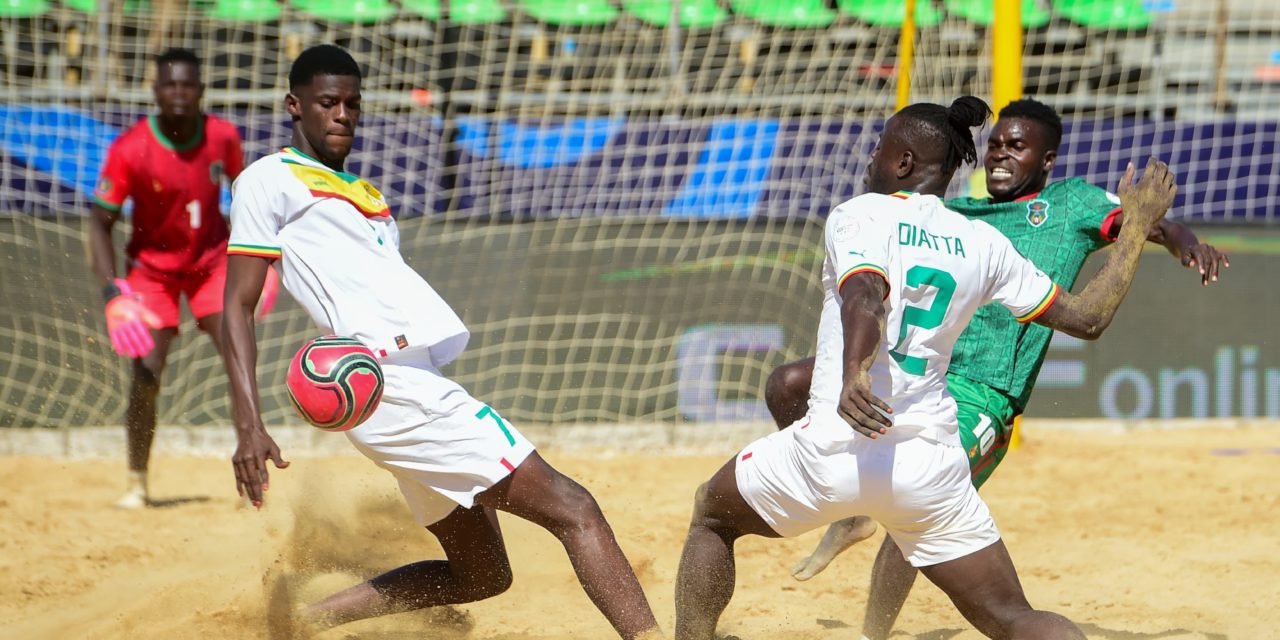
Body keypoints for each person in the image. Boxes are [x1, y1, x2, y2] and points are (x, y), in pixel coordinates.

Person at [673, 96, 1178, 640]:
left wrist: (855, 374)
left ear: (904, 162)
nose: (870, 158)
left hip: (834, 450)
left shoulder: (859, 213)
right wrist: (1135, 231)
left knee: (712, 513)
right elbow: (1088, 318)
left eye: (879, 148)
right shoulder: (982, 240)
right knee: (1013, 618)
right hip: (927, 469)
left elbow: (866, 295)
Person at [220, 45, 662, 640]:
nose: (343, 115)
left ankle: (301, 622)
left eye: (353, 103)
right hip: (388, 384)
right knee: (575, 508)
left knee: (482, 574)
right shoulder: (267, 181)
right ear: (294, 106)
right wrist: (248, 424)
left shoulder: (361, 190)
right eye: (328, 103)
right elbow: (236, 306)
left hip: (411, 383)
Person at [88, 48, 266, 509]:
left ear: (201, 90)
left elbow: (247, 199)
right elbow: (98, 223)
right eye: (170, 85)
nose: (179, 93)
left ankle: (253, 468)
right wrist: (113, 294)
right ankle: (137, 480)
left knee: (238, 358)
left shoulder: (222, 136)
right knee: (146, 372)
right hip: (151, 273)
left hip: (212, 264)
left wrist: (267, 266)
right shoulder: (131, 149)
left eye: (188, 85)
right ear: (156, 91)